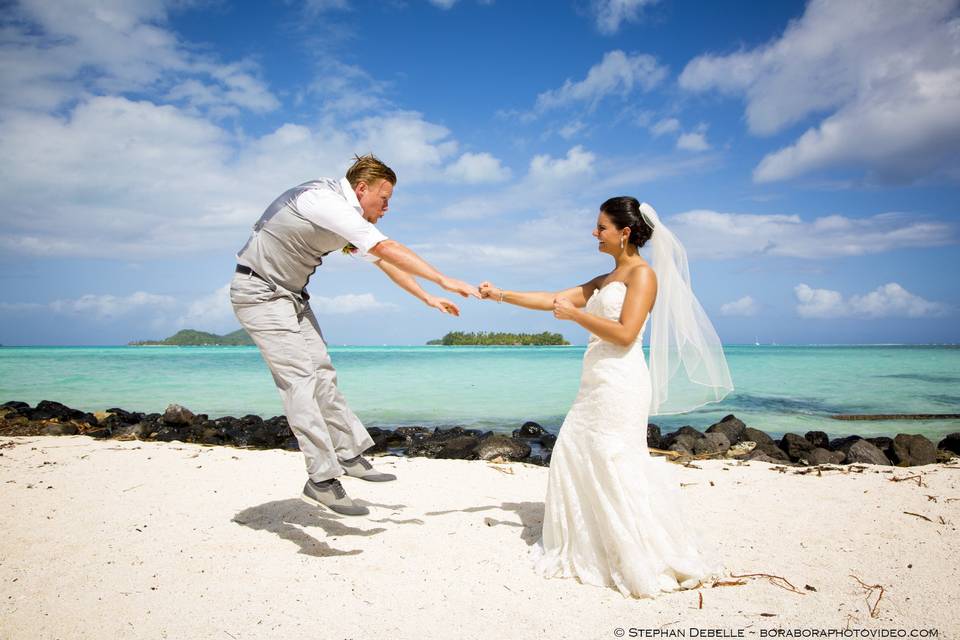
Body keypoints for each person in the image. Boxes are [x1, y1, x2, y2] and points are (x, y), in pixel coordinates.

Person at [478, 196, 733, 597]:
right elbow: (553, 299)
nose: (594, 233)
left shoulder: (643, 276)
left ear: (625, 232)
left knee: (614, 460)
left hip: (622, 382)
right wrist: (500, 295)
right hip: (594, 381)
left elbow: (627, 333)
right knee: (575, 452)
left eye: (601, 227)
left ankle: (636, 550)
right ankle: (591, 542)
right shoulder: (605, 279)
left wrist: (577, 316)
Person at [231, 154, 479, 517]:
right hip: (259, 293)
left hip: (291, 297)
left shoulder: (347, 217)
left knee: (322, 373)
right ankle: (321, 480)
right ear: (361, 189)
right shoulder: (323, 201)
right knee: (299, 380)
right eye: (384, 198)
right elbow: (384, 246)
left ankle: (348, 454)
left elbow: (383, 261)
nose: (387, 207)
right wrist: (443, 279)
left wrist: (427, 296)